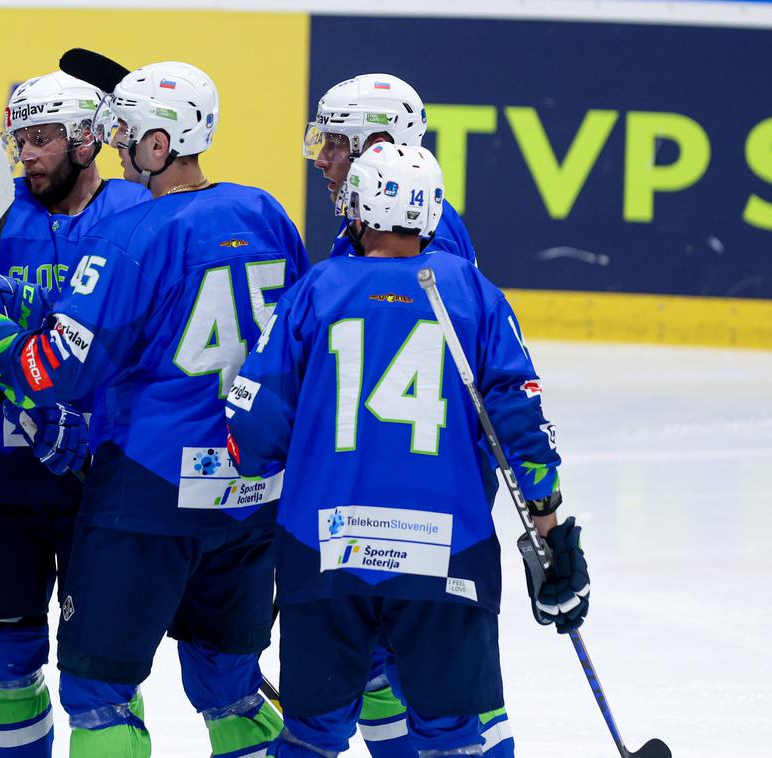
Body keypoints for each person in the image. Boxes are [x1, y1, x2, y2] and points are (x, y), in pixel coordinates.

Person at [0, 60, 309, 757]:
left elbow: (50, 366)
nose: (120, 148)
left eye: (127, 137)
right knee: (227, 687)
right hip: (243, 485)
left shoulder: (133, 228)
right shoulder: (266, 211)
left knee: (99, 695)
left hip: (141, 484)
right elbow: (298, 339)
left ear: (152, 142)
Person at [224, 142, 590, 757]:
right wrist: (549, 533)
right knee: (451, 736)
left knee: (312, 736)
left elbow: (256, 432)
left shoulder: (317, 291)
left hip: (327, 550)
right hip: (447, 552)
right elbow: (521, 424)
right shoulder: (474, 294)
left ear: (360, 209)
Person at [0, 71, 149, 758]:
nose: (26, 155)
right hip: (2, 465)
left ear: (88, 142)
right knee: (4, 658)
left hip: (107, 469)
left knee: (103, 666)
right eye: (19, 139)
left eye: (42, 140)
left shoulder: (136, 212)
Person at [304, 73, 507, 756]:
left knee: (445, 698)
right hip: (409, 493)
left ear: (377, 145)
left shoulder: (423, 241)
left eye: (335, 144)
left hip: (415, 498)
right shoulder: (395, 223)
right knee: (393, 675)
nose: (323, 158)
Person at [304, 73, 475, 265]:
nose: (320, 161)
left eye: (335, 143)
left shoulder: (415, 232)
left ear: (377, 147)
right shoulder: (376, 210)